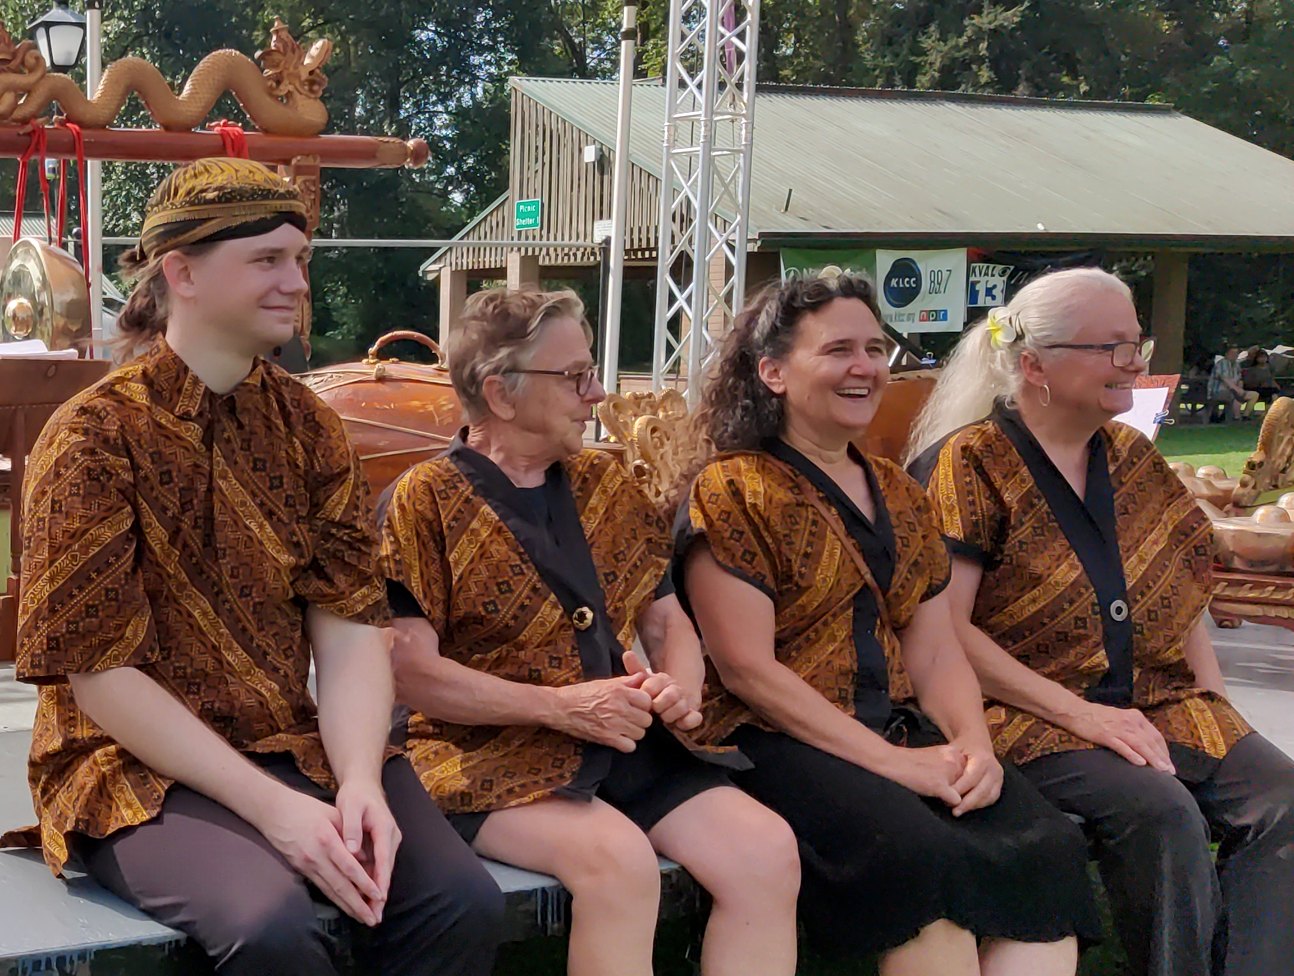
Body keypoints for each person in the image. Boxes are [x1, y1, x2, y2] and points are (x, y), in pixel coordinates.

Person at [0, 158, 503, 976]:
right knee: (270, 925)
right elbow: (100, 677)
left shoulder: (311, 426)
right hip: (126, 764)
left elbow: (349, 634)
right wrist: (279, 814)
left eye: (300, 260)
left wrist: (360, 783)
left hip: (290, 742)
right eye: (267, 259)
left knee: (458, 902)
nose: (295, 282)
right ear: (182, 272)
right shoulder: (92, 436)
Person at [676, 268, 1100, 976]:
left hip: (899, 727)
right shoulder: (732, 490)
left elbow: (935, 653)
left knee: (1045, 845)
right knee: (921, 860)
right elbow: (746, 668)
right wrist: (896, 766)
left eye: (875, 349)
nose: (865, 368)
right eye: (839, 350)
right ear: (774, 372)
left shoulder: (901, 493)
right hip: (776, 740)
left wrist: (975, 746)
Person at [378, 287, 800, 976]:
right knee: (620, 865)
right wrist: (561, 707)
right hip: (475, 755)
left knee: (766, 852)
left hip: (615, 739)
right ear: (500, 393)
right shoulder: (420, 501)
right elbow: (409, 672)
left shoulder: (605, 483)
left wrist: (680, 689)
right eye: (574, 376)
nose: (598, 393)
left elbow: (664, 616)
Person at [906, 267, 1294, 976]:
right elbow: (944, 631)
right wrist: (1082, 717)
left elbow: (1180, 598)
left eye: (1135, 341)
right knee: (1163, 813)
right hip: (1021, 714)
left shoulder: (1133, 458)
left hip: (1154, 704)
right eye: (1110, 346)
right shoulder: (969, 464)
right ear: (1034, 366)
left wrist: (1218, 711)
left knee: (1284, 799)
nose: (1135, 362)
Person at [1209, 343, 1259, 420]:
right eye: (1232, 353)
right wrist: (1237, 390)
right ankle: (1236, 417)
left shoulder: (1236, 365)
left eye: (1236, 353)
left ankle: (1245, 416)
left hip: (1233, 390)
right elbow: (1225, 379)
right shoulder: (1221, 363)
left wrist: (1240, 388)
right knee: (1236, 395)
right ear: (1226, 354)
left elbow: (1239, 379)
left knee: (1254, 395)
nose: (1235, 355)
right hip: (1218, 391)